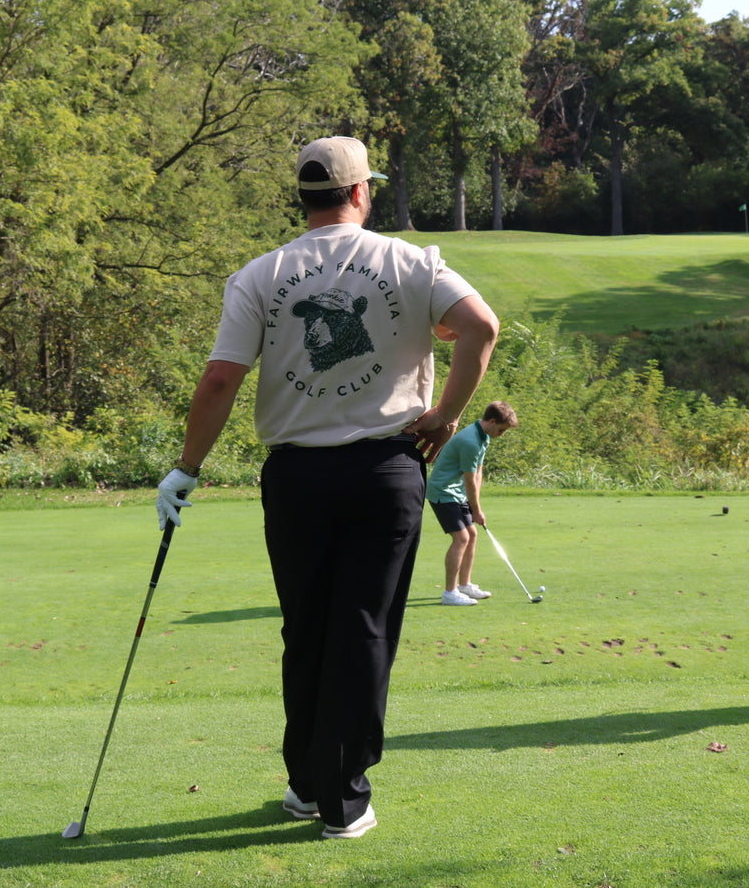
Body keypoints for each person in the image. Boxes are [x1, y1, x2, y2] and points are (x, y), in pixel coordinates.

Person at [154, 136, 499, 838]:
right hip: (386, 469)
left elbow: (221, 378)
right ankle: (343, 798)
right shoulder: (408, 261)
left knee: (306, 628)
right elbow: (479, 327)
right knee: (362, 631)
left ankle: (308, 785)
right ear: (361, 191)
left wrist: (186, 466)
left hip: (296, 477)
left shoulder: (261, 273)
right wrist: (447, 414)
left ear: (303, 196)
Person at [427, 401, 519, 605]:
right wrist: (476, 510)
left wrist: (477, 506)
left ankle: (464, 585)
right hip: (443, 492)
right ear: (492, 421)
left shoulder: (483, 436)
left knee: (472, 534)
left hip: (457, 493)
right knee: (461, 538)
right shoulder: (470, 441)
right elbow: (469, 480)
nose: (501, 434)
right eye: (502, 430)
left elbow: (478, 472)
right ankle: (449, 593)